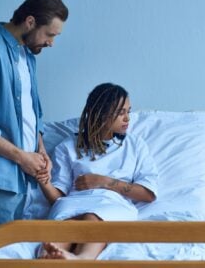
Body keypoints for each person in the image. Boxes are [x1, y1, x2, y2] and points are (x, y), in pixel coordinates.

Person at [0, 0, 69, 230]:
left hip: (24, 179)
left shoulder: (27, 56)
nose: (51, 42)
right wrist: (23, 158)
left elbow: (33, 114)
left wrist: (41, 152)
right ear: (30, 22)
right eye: (49, 34)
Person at [38, 83, 158, 260]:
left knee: (92, 218)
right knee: (67, 225)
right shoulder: (67, 147)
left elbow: (148, 194)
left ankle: (81, 259)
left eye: (128, 111)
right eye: (120, 112)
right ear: (101, 114)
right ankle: (47, 257)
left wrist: (104, 182)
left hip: (111, 204)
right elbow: (57, 197)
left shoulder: (135, 145)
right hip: (73, 203)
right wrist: (43, 180)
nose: (127, 119)